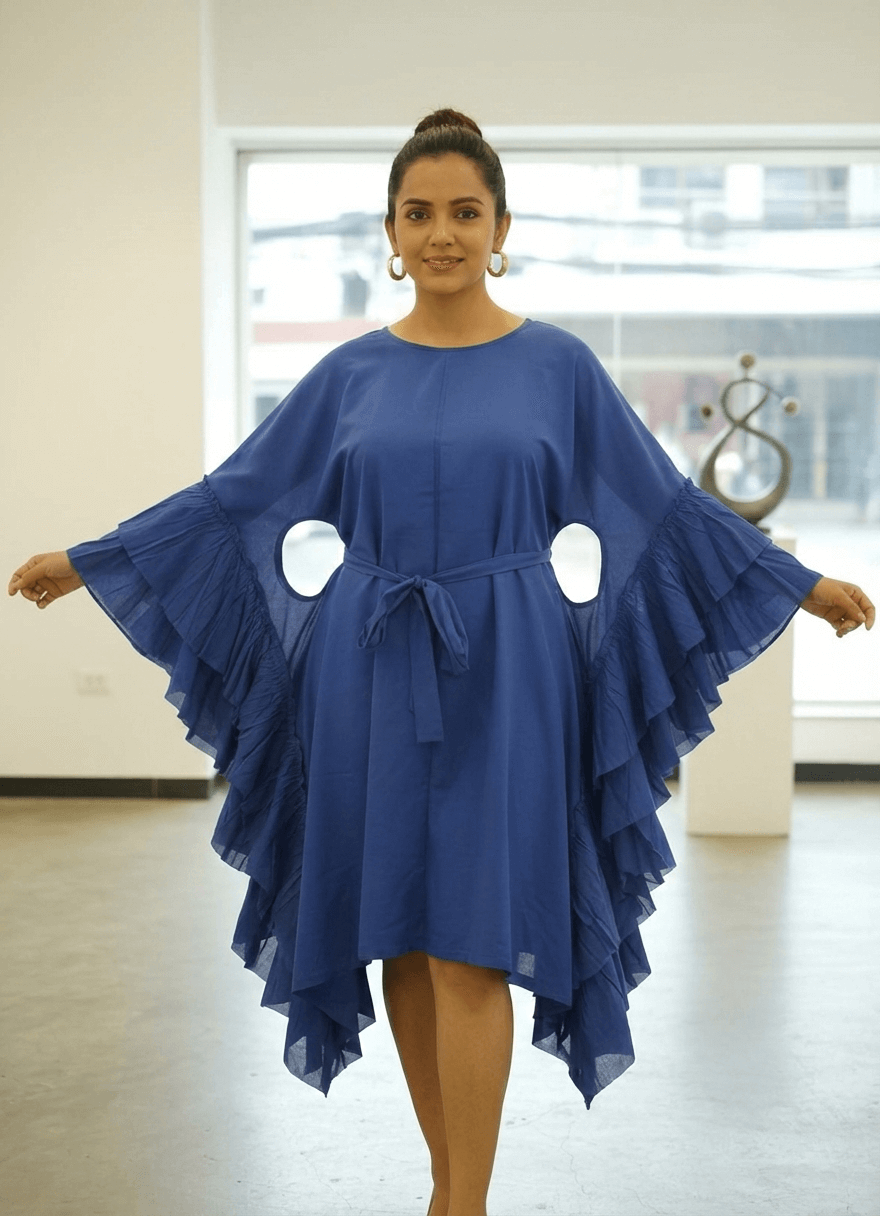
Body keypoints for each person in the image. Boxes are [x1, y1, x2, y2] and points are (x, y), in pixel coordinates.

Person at [7, 109, 875, 1216]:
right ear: (390, 232)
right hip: (364, 672)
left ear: (501, 228)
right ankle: (445, 1184)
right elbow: (235, 499)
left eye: (465, 212)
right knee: (404, 942)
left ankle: (465, 1203)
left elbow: (660, 506)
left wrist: (794, 582)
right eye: (419, 213)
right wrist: (94, 560)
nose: (442, 234)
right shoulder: (348, 375)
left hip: (510, 674)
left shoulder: (558, 366)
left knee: (472, 941)